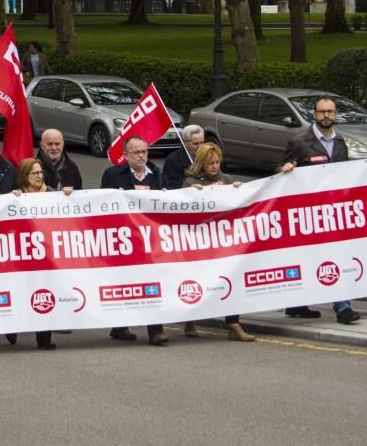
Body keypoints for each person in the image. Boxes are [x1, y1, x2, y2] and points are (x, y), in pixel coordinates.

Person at [279, 95, 367, 324]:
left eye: (330, 112)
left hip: (333, 213)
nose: (326, 115)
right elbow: (280, 172)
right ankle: (296, 305)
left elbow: (347, 173)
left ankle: (342, 307)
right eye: (322, 111)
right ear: (314, 115)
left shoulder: (341, 143)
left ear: (335, 115)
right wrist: (285, 168)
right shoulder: (299, 142)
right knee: (308, 258)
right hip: (307, 214)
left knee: (335, 255)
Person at [180, 143, 255, 341]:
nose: (214, 166)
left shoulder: (226, 179)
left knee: (233, 277)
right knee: (199, 281)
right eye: (210, 163)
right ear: (201, 163)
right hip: (200, 241)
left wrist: (237, 189)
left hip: (223, 240)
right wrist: (191, 193)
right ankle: (190, 320)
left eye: (217, 162)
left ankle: (233, 324)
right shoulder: (190, 182)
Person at [101, 136, 167, 346]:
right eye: (137, 152)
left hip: (150, 239)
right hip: (124, 238)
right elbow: (101, 206)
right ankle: (119, 326)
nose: (141, 156)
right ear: (126, 155)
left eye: (144, 152)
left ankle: (156, 329)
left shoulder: (156, 174)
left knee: (152, 283)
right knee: (125, 282)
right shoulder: (113, 175)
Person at [7, 157, 62, 350]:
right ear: (24, 176)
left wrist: (68, 196)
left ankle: (44, 338)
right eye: (34, 173)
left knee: (44, 293)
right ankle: (11, 327)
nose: (39, 176)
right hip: (22, 254)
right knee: (20, 292)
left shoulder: (54, 194)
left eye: (41, 173)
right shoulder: (14, 197)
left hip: (46, 254)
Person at [162, 124, 204, 191]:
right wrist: (189, 186)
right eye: (195, 144)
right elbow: (170, 184)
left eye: (202, 143)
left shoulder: (209, 155)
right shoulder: (172, 160)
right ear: (185, 142)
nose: (200, 147)